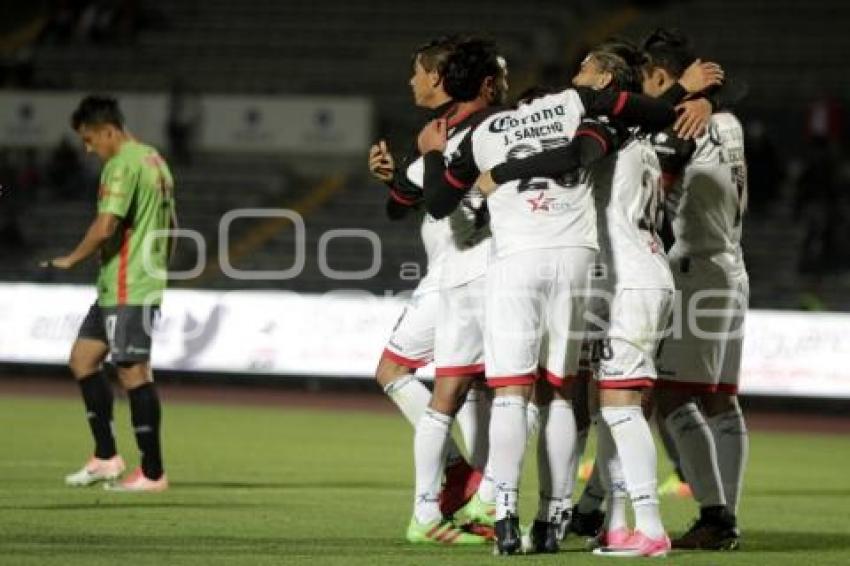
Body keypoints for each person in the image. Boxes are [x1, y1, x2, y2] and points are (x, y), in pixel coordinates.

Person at [420, 40, 720, 555]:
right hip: (627, 272)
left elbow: (443, 198)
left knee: (601, 406)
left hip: (608, 278)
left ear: (602, 81)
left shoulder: (591, 126)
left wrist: (485, 167)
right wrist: (697, 98)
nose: (574, 73)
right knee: (590, 401)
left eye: (583, 68)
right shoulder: (633, 134)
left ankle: (628, 524)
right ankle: (593, 519)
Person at [367, 37, 491, 544]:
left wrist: (430, 158)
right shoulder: (442, 132)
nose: (410, 81)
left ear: (438, 77)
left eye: (416, 72)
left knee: (396, 371)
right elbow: (406, 200)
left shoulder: (465, 131)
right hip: (455, 273)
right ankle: (479, 492)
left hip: (461, 276)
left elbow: (439, 202)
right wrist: (393, 175)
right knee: (472, 389)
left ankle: (466, 479)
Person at [642, 28, 749, 550]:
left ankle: (715, 516)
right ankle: (723, 515)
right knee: (722, 404)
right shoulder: (728, 123)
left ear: (662, 77)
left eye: (644, 82)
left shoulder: (680, 124)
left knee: (671, 398)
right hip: (731, 266)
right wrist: (697, 96)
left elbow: (653, 157)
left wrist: (679, 99)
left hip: (693, 272)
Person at [45, 94, 176, 492]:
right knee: (83, 360)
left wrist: (71, 258)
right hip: (122, 281)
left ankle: (152, 473)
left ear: (109, 130)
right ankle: (106, 457)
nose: (89, 149)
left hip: (128, 282)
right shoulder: (154, 159)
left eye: (90, 139)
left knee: (134, 372)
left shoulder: (121, 166)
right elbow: (172, 220)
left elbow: (105, 226)